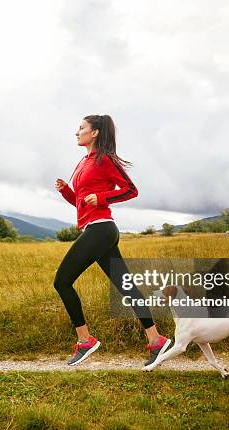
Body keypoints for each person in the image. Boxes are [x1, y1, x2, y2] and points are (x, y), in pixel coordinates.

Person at [54, 114, 171, 368]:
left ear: (94, 132)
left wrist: (103, 197)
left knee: (62, 281)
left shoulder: (104, 158)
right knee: (127, 288)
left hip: (101, 229)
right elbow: (81, 203)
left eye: (81, 128)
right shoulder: (83, 162)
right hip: (94, 228)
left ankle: (85, 341)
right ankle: (156, 340)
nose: (77, 132)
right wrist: (66, 190)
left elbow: (130, 189)